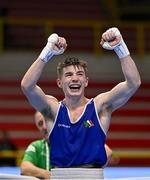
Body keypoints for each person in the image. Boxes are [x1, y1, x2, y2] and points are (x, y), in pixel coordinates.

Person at [21, 27, 141, 179]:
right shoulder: (53, 109)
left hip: (92, 175)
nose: (75, 78)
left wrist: (120, 47)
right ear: (59, 82)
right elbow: (27, 86)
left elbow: (133, 83)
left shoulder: (99, 106)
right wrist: (47, 51)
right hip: (59, 176)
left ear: (86, 81)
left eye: (80, 74)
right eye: (69, 75)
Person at [20, 96, 56, 179]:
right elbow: (25, 168)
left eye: (47, 121)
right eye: (40, 123)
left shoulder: (70, 141)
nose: (44, 126)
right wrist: (48, 175)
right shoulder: (36, 146)